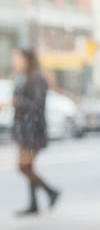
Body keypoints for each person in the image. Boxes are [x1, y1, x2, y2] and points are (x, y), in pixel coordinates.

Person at [9, 47, 59, 216]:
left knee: (23, 166)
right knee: (28, 166)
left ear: (26, 59)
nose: (14, 62)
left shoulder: (37, 77)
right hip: (24, 130)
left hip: (33, 130)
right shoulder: (22, 78)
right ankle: (34, 203)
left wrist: (16, 102)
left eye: (17, 58)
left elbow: (37, 105)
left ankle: (51, 191)